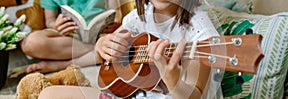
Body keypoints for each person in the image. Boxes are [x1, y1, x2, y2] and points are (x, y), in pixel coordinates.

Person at [39, 0, 222, 98]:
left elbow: (194, 96)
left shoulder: (201, 35)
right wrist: (102, 45)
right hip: (132, 96)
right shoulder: (137, 18)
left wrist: (173, 82)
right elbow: (109, 51)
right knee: (49, 95)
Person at [21, 0, 120, 73]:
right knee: (30, 43)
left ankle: (61, 65)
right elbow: (49, 20)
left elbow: (116, 13)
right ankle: (98, 51)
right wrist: (56, 25)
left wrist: (116, 23)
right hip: (71, 37)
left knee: (121, 43)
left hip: (102, 35)